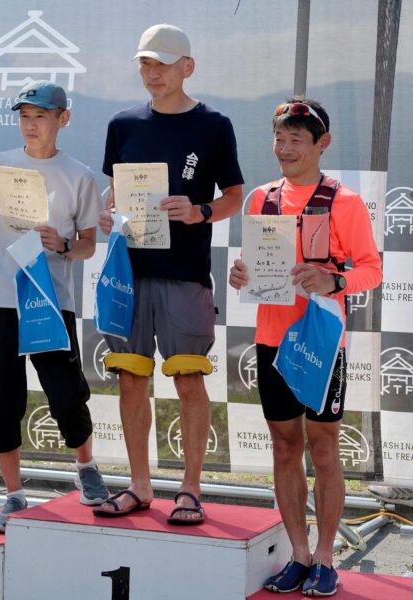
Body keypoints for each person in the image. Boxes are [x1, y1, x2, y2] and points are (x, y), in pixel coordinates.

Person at [229, 98, 382, 595]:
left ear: (322, 144)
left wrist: (330, 278)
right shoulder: (261, 198)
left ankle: (324, 556)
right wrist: (240, 275)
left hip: (320, 341)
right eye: (280, 137)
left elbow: (372, 270)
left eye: (298, 138)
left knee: (323, 446)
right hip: (272, 339)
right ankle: (297, 553)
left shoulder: (344, 201)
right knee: (283, 447)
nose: (285, 147)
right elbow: (254, 268)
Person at [93, 24, 243, 524]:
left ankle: (191, 488)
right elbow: (115, 193)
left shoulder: (214, 124)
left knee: (186, 379)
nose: (152, 73)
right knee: (131, 382)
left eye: (161, 63)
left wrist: (200, 211)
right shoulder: (122, 124)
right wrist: (108, 216)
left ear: (187, 67)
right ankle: (139, 484)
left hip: (186, 275)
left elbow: (234, 199)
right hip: (129, 274)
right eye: (145, 63)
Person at [0, 80, 109, 532]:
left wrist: (65, 244)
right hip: (0, 298)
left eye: (40, 116)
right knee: (2, 398)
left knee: (66, 393)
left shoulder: (79, 175)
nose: (30, 125)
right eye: (24, 116)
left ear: (63, 119)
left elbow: (89, 247)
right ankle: (13, 496)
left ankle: (87, 467)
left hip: (52, 300)